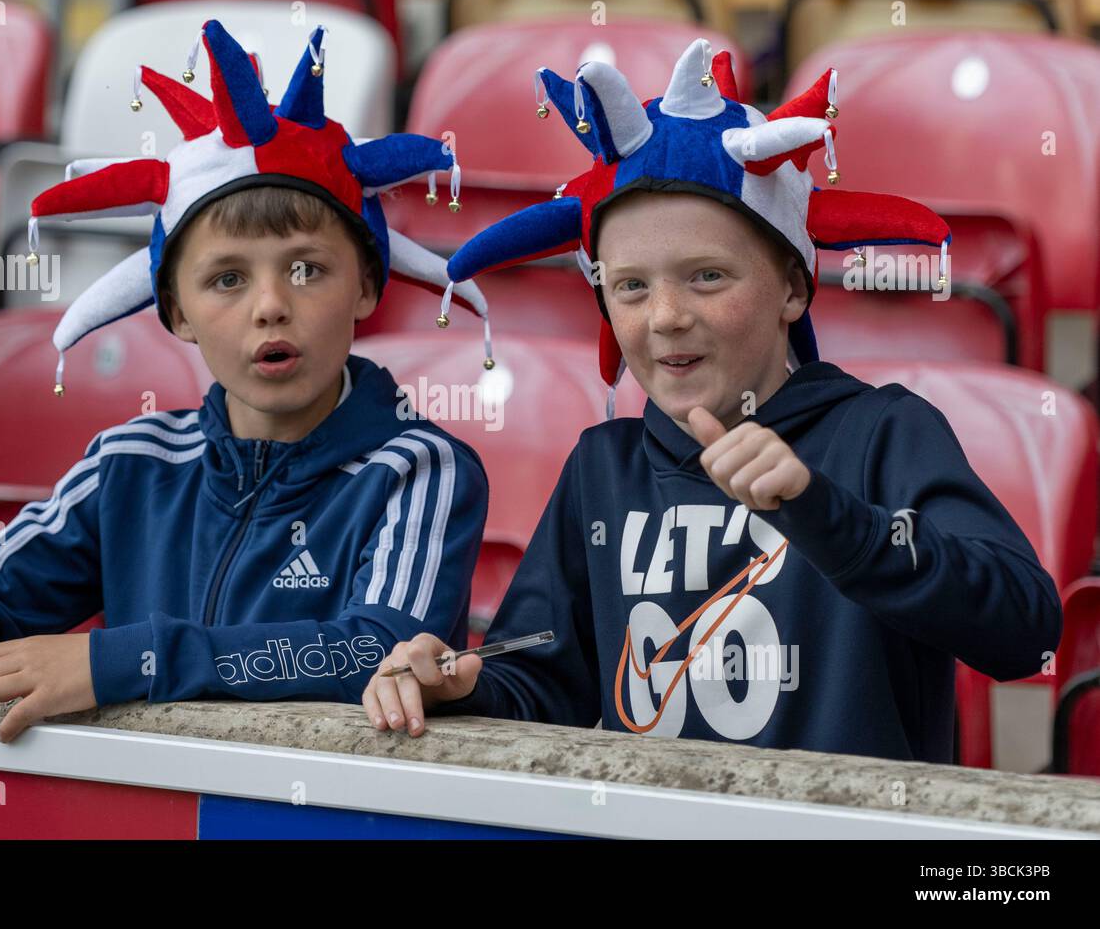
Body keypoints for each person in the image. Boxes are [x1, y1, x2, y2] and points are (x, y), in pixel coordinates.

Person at [362, 39, 1062, 761]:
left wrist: (832, 519)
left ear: (793, 287)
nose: (665, 316)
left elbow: (1025, 630)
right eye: (630, 286)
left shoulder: (883, 433)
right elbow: (546, 681)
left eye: (707, 277)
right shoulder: (602, 467)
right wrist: (464, 687)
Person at [0, 20, 492, 779]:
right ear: (174, 312)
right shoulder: (131, 463)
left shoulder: (419, 469)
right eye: (227, 279)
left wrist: (120, 660)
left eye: (307, 269)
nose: (271, 306)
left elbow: (376, 652)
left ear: (368, 285)